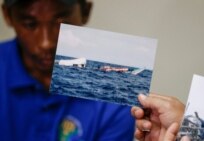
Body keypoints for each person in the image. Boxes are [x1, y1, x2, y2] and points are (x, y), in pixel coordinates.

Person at [0, 0, 135, 140]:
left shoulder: (116, 87)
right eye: (30, 24)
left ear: (85, 11)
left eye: (61, 22)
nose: (46, 43)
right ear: (7, 15)